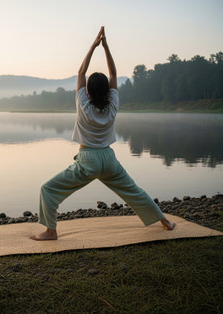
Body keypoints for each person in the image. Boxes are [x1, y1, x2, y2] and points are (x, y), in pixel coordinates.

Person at [30, 26, 175, 241]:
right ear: (108, 91)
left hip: (87, 159)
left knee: (48, 189)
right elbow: (114, 74)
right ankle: (165, 221)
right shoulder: (112, 106)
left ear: (87, 91)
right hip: (108, 159)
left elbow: (80, 72)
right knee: (134, 191)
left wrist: (93, 46)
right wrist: (106, 47)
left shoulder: (83, 104)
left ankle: (51, 231)